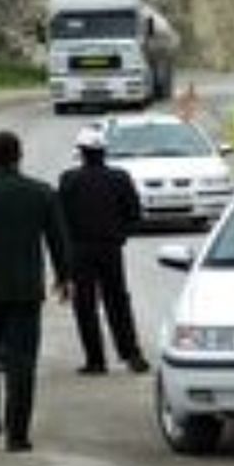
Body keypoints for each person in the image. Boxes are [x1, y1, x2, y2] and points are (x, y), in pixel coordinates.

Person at [0, 131, 72, 452]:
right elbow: (58, 240)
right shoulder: (41, 193)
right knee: (23, 363)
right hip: (25, 292)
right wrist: (64, 277)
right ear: (19, 156)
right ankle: (18, 435)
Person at [58, 127, 149, 376]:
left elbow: (61, 219)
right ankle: (132, 354)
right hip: (110, 248)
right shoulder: (120, 178)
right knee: (118, 301)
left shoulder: (69, 179)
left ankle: (95, 360)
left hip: (80, 250)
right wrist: (120, 236)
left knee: (85, 305)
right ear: (103, 152)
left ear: (81, 152)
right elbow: (134, 215)